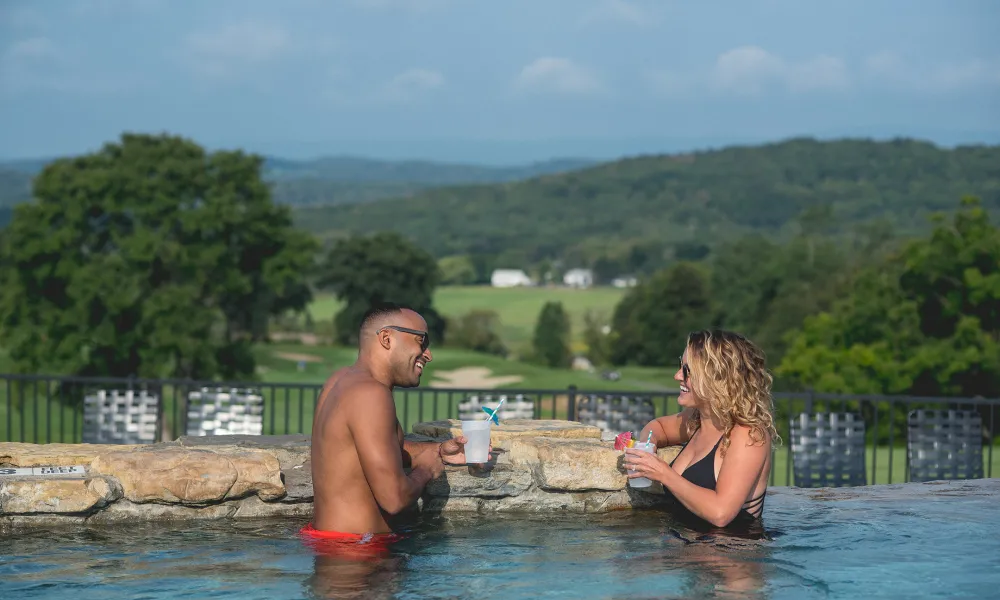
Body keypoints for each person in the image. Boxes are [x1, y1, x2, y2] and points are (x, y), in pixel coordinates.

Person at [303, 302, 482, 553]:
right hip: (359, 557)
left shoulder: (340, 380)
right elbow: (394, 499)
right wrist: (425, 471)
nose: (428, 354)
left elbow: (378, 448)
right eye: (421, 341)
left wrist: (440, 450)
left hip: (333, 544)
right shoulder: (371, 394)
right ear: (387, 338)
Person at [623, 329, 778, 531]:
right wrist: (648, 445)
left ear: (717, 378)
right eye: (680, 366)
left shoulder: (748, 434)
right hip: (687, 550)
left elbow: (720, 514)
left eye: (687, 371)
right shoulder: (698, 420)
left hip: (730, 557)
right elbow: (657, 427)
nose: (677, 375)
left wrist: (663, 473)